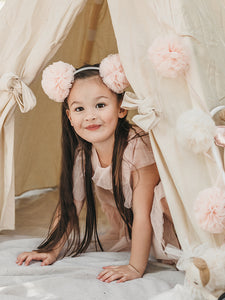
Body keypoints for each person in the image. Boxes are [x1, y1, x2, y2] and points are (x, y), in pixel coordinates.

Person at [16, 54, 179, 283]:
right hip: (140, 227)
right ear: (69, 117)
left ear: (121, 108)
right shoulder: (84, 155)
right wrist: (51, 249)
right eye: (79, 109)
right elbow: (71, 206)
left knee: (166, 205)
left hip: (168, 218)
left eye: (100, 105)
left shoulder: (136, 146)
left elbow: (144, 213)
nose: (90, 116)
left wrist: (135, 266)